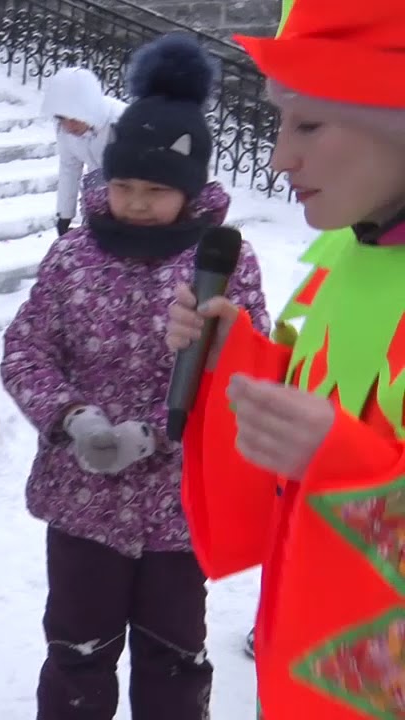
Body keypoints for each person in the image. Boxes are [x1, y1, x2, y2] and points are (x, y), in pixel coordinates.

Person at [3, 34, 271, 720]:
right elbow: (25, 350)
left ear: (191, 191)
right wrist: (71, 418)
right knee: (77, 652)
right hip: (83, 503)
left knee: (173, 657)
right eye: (123, 185)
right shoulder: (73, 256)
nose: (136, 202)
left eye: (156, 190)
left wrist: (158, 433)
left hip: (180, 510)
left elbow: (249, 373)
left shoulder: (227, 263)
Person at [167, 0, 405, 716]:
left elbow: (346, 447)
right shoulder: (344, 252)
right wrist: (230, 356)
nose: (279, 158)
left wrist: (354, 469)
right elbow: (324, 413)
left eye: (308, 124)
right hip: (303, 655)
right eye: (279, 123)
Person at [41, 67, 128, 236]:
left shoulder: (121, 121)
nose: (68, 127)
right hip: (97, 194)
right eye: (62, 119)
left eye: (74, 119)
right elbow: (69, 167)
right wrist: (65, 215)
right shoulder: (64, 129)